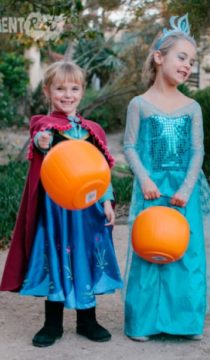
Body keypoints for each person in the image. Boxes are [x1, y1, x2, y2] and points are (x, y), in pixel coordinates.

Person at [123, 14, 210, 342]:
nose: (187, 66)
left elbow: (197, 152)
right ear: (159, 57)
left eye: (192, 61)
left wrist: (186, 187)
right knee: (149, 250)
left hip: (184, 192)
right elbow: (129, 146)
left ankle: (185, 323)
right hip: (151, 190)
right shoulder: (139, 104)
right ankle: (144, 324)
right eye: (181, 57)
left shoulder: (192, 107)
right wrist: (144, 179)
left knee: (186, 253)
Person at [0, 61, 123, 347]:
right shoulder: (45, 127)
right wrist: (42, 141)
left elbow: (101, 169)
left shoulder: (92, 131)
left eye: (74, 88)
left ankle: (87, 321)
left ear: (82, 91)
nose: (67, 95)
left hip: (88, 210)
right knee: (57, 258)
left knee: (86, 257)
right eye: (60, 88)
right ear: (47, 91)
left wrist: (107, 201)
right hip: (56, 212)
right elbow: (40, 140)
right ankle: (52, 324)